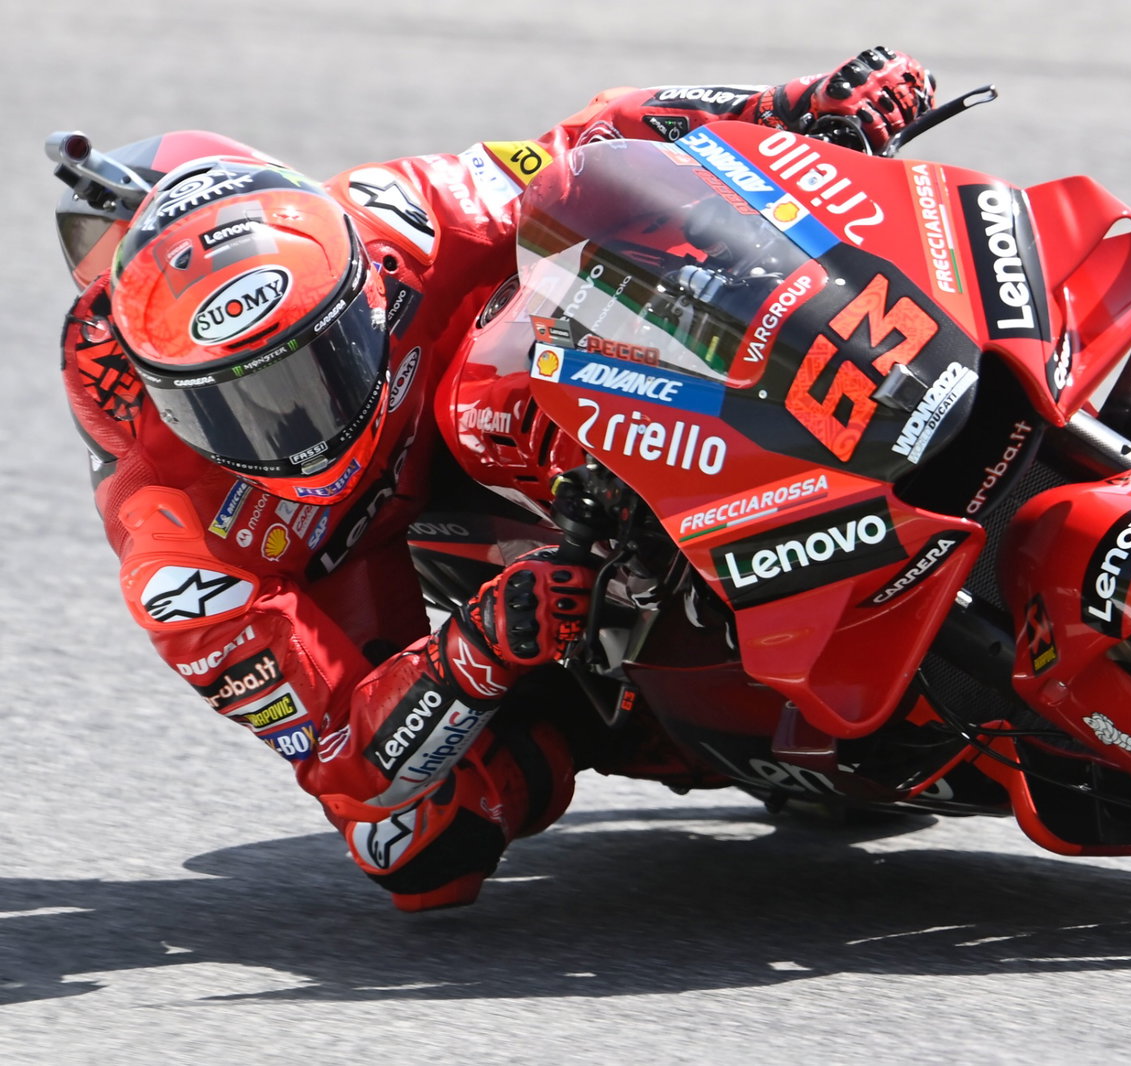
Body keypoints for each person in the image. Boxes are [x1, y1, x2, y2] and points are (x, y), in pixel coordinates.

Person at [57, 48, 936, 910]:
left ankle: (775, 463)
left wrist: (793, 105)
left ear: (361, 284)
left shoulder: (391, 215)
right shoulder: (181, 557)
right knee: (418, 848)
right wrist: (476, 650)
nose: (298, 423)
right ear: (166, 403)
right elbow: (348, 763)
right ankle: (638, 713)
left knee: (532, 337)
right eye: (241, 405)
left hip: (487, 399)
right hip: (344, 556)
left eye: (316, 366)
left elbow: (587, 150)